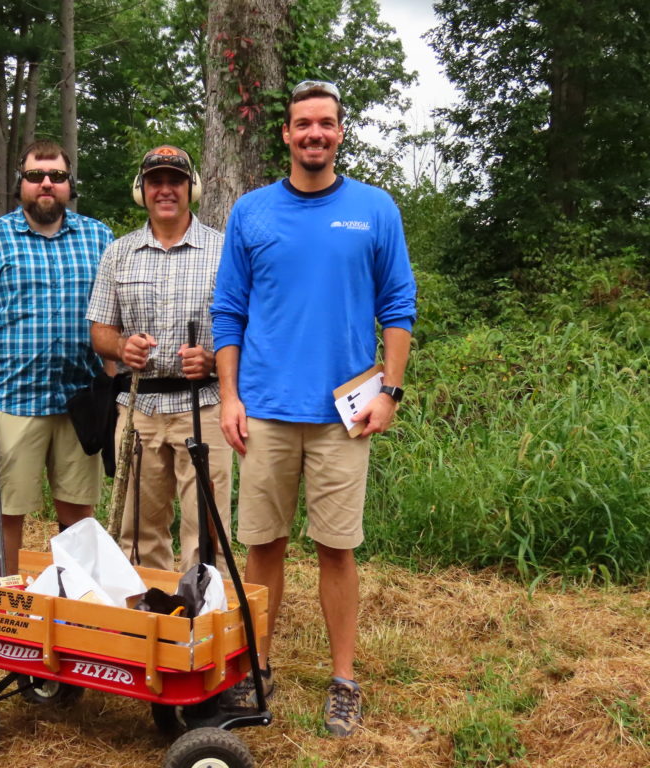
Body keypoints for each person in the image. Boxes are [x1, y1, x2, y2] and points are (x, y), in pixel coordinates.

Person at [211, 81, 417, 734]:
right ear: (287, 134)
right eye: (303, 124)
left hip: (342, 420)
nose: (314, 134)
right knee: (262, 545)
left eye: (325, 123)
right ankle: (256, 669)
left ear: (340, 132)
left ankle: (344, 681)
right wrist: (229, 397)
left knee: (337, 549)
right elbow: (228, 311)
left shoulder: (375, 209)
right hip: (266, 411)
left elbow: (399, 306)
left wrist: (390, 391)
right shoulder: (251, 213)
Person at [0, 140, 114, 584]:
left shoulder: (99, 237)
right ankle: (5, 609)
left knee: (78, 514)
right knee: (7, 513)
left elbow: (113, 316)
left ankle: (76, 606)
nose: (47, 183)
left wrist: (111, 390)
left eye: (57, 176)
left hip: (80, 401)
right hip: (13, 400)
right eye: (36, 175)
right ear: (20, 183)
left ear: (69, 184)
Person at [87, 145, 232, 572]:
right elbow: (100, 331)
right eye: (156, 182)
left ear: (192, 188)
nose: (165, 190)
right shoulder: (119, 253)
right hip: (140, 409)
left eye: (175, 181)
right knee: (137, 532)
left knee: (207, 532)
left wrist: (211, 359)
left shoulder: (224, 251)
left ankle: (204, 609)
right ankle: (150, 609)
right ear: (142, 189)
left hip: (204, 405)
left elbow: (248, 328)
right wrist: (121, 347)